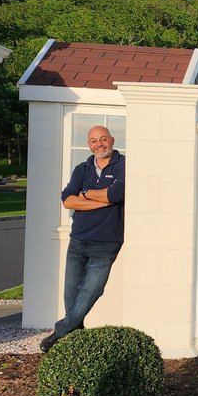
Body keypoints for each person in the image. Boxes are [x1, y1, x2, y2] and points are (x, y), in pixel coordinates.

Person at [39, 126, 126, 353]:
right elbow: (67, 200)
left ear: (112, 140)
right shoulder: (82, 168)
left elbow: (117, 195)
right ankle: (75, 339)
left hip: (106, 242)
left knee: (91, 291)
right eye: (93, 141)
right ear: (89, 144)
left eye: (103, 139)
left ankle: (59, 333)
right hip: (78, 240)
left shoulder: (124, 165)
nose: (99, 144)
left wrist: (85, 194)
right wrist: (101, 199)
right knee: (71, 293)